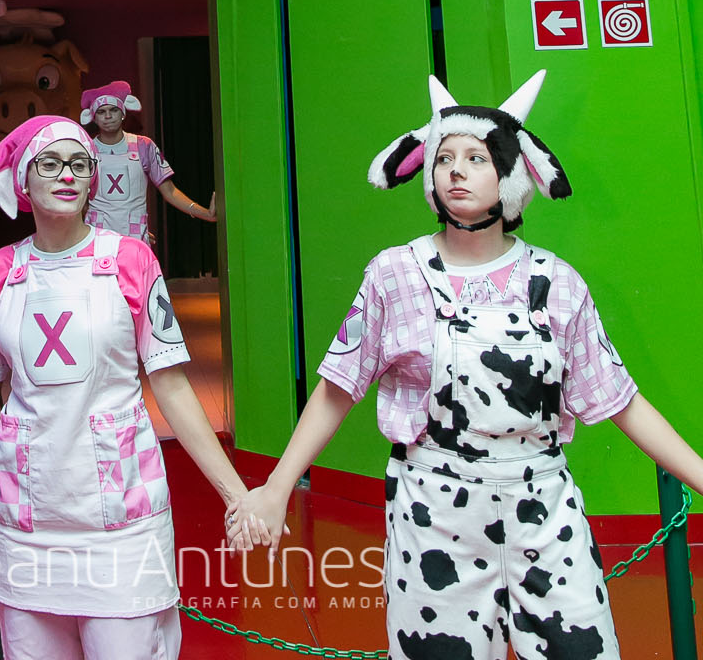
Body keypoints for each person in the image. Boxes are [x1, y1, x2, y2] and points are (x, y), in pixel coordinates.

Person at [230, 71, 703, 659]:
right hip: (434, 516)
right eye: (444, 157)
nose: (456, 170)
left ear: (514, 173)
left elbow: (619, 400)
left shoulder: (556, 282)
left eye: (477, 158)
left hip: (544, 514)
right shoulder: (394, 274)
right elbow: (338, 387)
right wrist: (278, 486)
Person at [0, 112, 266, 660]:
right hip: (26, 520)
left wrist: (236, 495)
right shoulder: (3, 270)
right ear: (24, 179)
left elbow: (170, 386)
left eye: (79, 163)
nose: (67, 174)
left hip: (119, 523)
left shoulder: (130, 260)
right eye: (50, 163)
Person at [80, 82, 216, 243]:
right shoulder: (85, 149)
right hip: (97, 239)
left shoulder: (144, 146)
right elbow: (77, 197)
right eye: (101, 112)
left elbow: (170, 191)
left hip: (135, 237)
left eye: (114, 110)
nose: (108, 116)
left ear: (123, 113)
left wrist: (206, 214)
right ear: (93, 117)